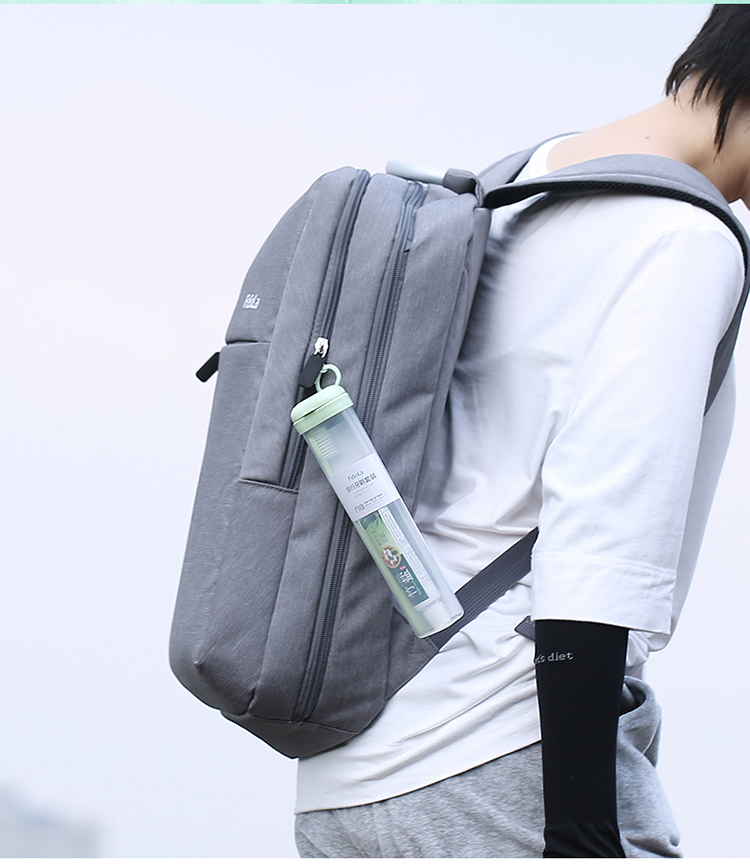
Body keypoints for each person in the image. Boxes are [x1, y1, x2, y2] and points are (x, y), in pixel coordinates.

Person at [294, 5, 749, 858]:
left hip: (352, 767)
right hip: (503, 759)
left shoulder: (528, 182)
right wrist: (582, 830)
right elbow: (599, 546)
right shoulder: (681, 237)